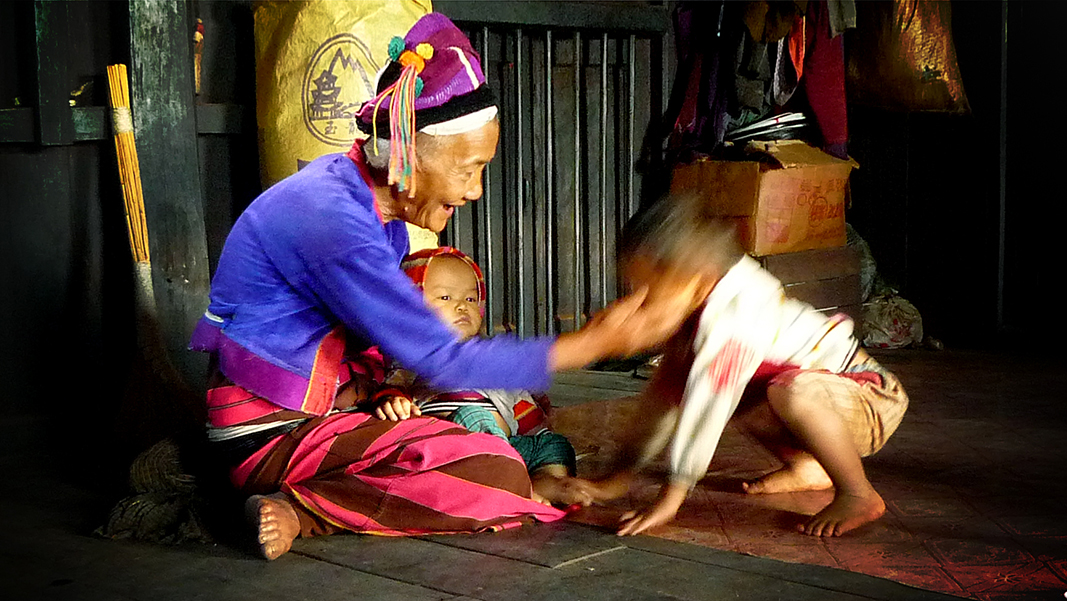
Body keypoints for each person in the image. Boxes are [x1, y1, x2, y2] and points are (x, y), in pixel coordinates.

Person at [188, 13, 691, 561]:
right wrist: (594, 344)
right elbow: (442, 359)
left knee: (490, 448)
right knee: (493, 467)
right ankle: (303, 510)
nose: (475, 190)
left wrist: (385, 393)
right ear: (411, 150)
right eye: (469, 168)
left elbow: (382, 347)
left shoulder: (373, 215)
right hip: (270, 434)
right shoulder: (332, 217)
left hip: (330, 414)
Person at [583, 193, 909, 537]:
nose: (639, 300)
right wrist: (615, 480)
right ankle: (809, 467)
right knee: (748, 390)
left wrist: (670, 499)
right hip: (827, 397)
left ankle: (857, 493)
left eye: (649, 290)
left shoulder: (734, 317)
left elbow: (707, 406)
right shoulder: (695, 311)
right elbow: (662, 401)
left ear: (695, 276)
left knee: (784, 392)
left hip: (872, 397)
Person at [367, 246, 589, 506]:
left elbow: (520, 403)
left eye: (471, 299)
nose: (462, 306)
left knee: (553, 443)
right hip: (456, 447)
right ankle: (508, 484)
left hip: (508, 445)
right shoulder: (413, 357)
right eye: (446, 297)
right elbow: (390, 384)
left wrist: (538, 417)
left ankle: (545, 482)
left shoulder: (490, 356)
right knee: (473, 416)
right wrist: (392, 399)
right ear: (410, 307)